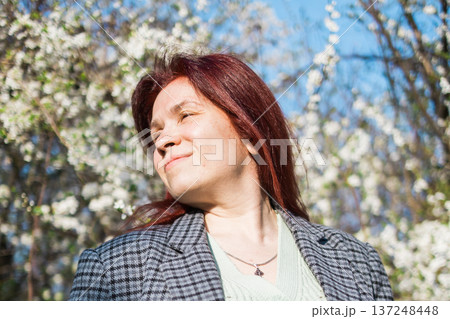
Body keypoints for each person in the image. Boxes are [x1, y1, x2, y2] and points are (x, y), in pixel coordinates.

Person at [69, 52, 393, 301]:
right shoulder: (117, 270)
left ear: (249, 132)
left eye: (185, 115)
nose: (164, 141)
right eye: (155, 135)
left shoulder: (357, 262)